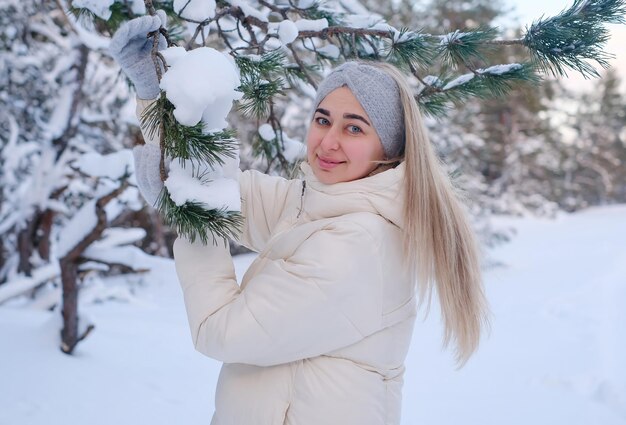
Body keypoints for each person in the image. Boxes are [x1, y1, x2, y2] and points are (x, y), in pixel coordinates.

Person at [111, 13, 490, 425]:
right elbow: (220, 187)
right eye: (323, 120)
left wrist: (191, 216)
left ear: (390, 147)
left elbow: (221, 330)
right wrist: (156, 90)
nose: (328, 141)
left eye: (354, 128)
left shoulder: (360, 243)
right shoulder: (316, 203)